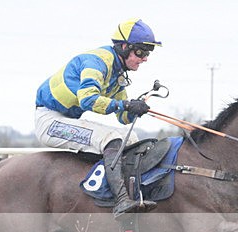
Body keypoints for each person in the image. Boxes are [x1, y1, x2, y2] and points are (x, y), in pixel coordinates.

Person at [35, 18, 161, 217]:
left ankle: (134, 193)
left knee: (133, 138)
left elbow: (122, 117)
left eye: (147, 53)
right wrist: (126, 104)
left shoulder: (118, 74)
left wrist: (135, 108)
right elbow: (88, 99)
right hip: (49, 121)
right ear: (124, 47)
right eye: (140, 52)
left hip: (67, 119)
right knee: (111, 138)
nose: (144, 58)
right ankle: (121, 200)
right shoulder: (97, 62)